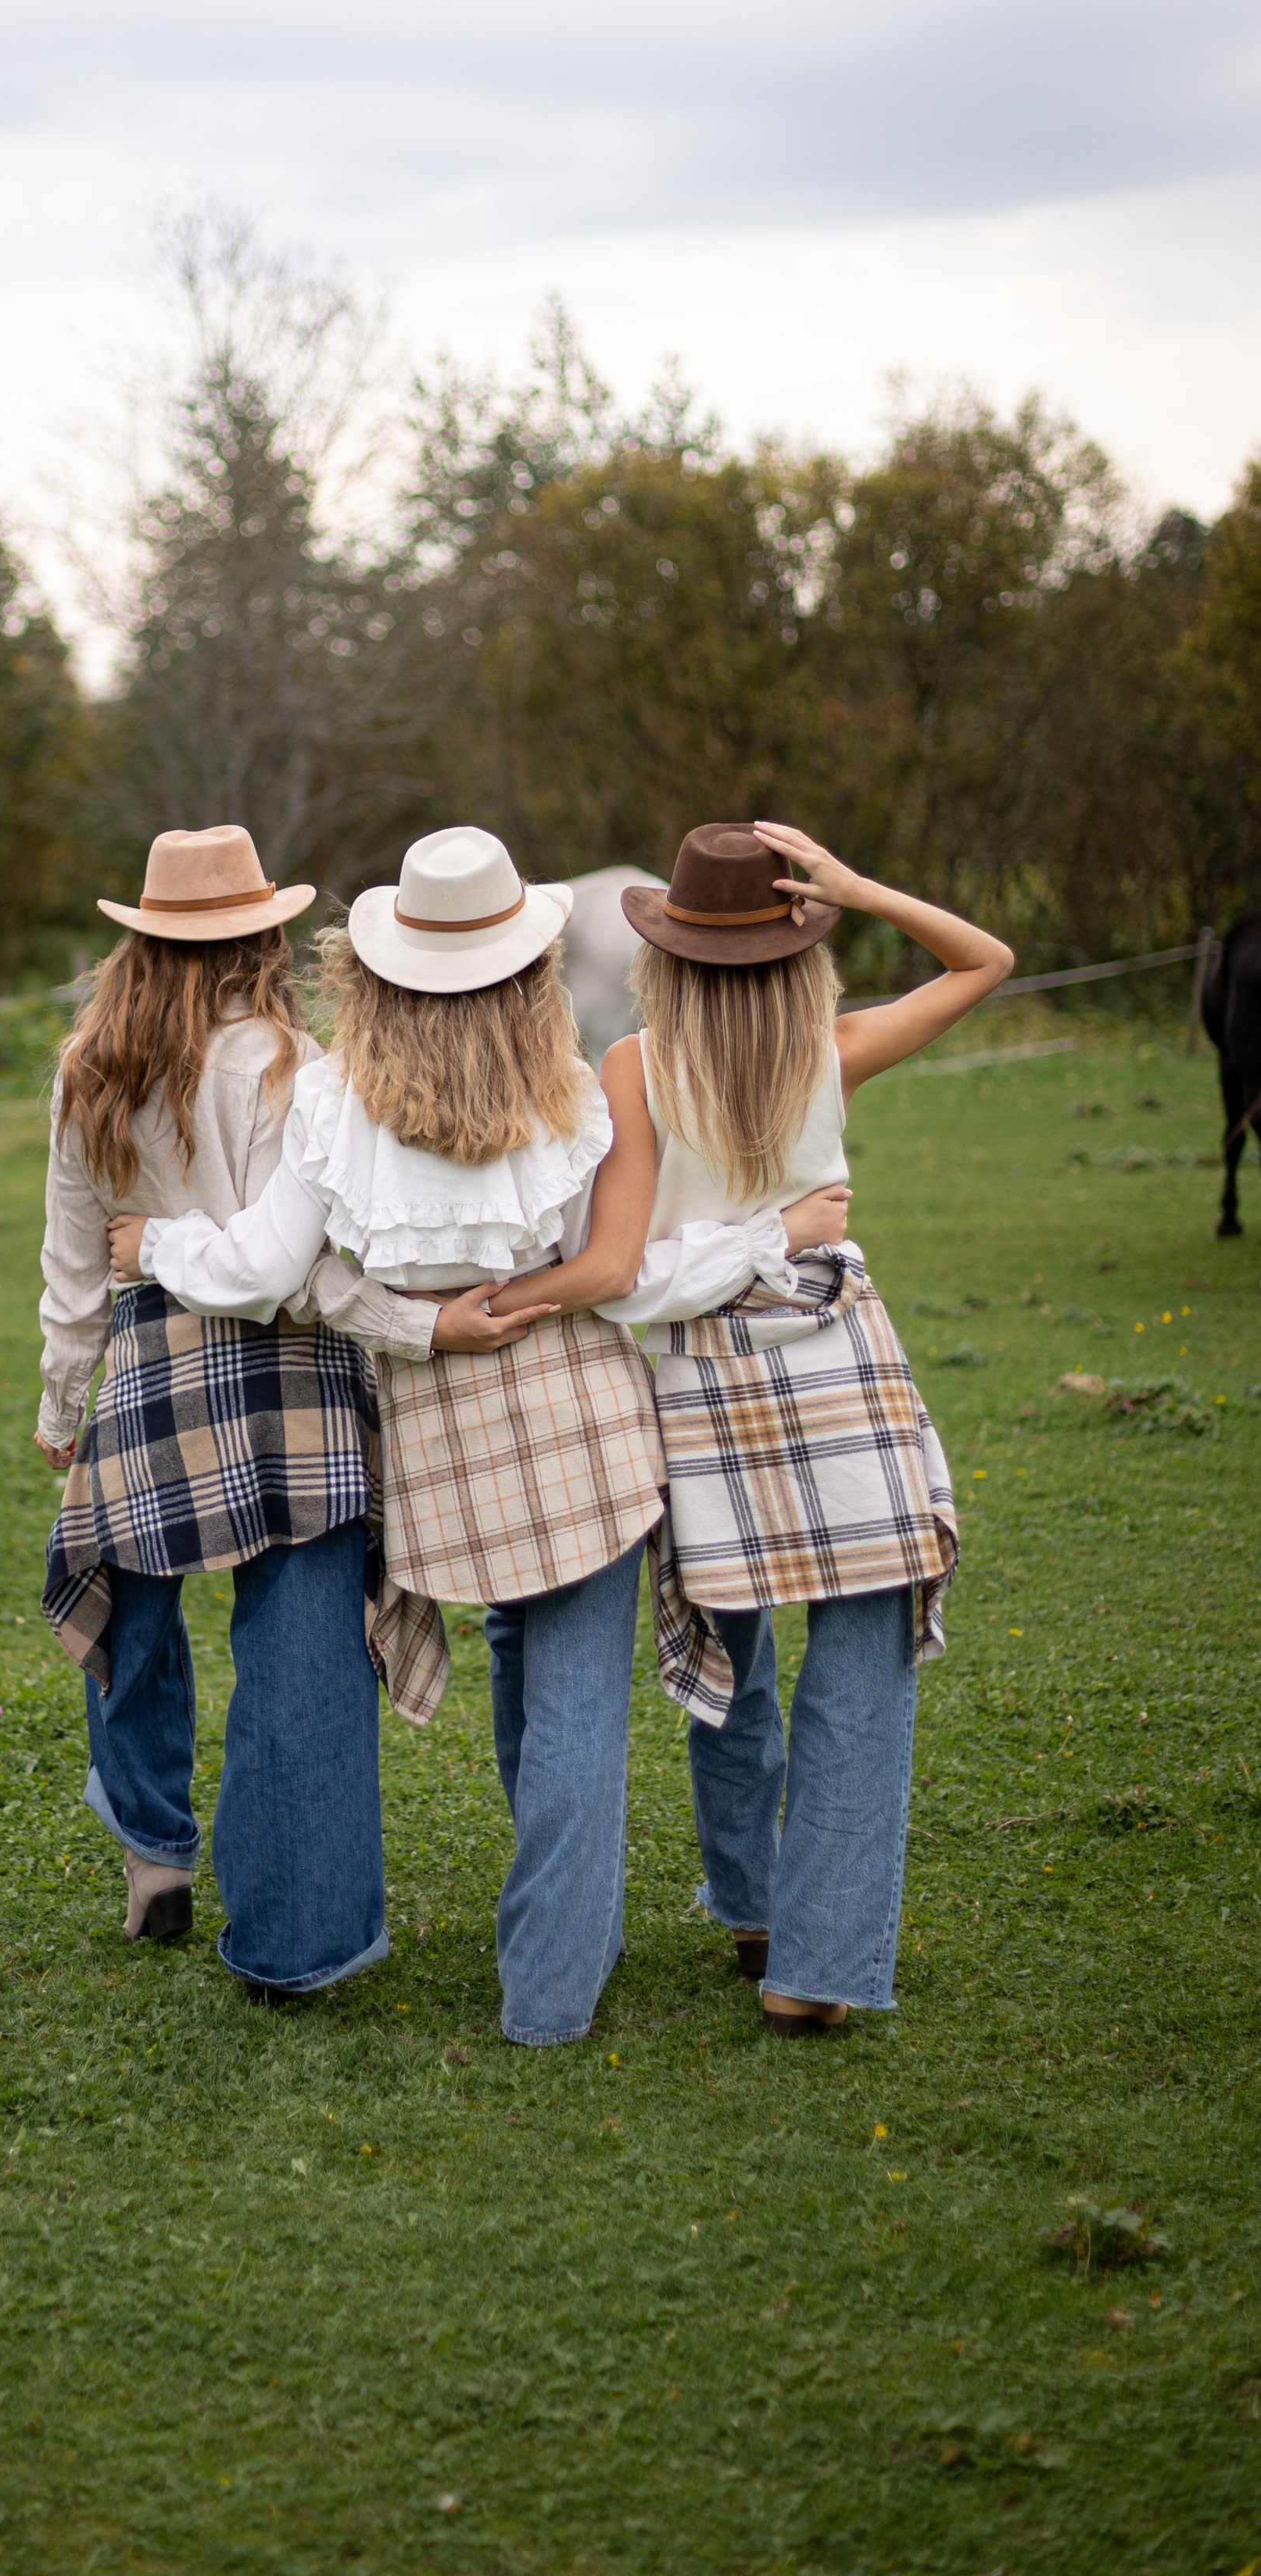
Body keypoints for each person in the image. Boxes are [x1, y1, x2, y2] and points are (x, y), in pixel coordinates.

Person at [111, 825, 847, 2047]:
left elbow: (282, 1279)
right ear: (527, 970)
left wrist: (169, 1253)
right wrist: (759, 1242)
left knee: (530, 1691)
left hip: (440, 1448)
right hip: (586, 1422)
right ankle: (551, 1992)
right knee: (570, 1712)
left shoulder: (334, 1101)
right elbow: (613, 1274)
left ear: (381, 973)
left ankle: (564, 1947)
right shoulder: (569, 1092)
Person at [502, 819, 1009, 2036]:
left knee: (730, 1664)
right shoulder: (827, 1054)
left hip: (697, 1389)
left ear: (665, 955)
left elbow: (621, 1279)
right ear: (802, 950)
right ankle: (807, 1963)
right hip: (843, 1372)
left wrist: (718, 1259)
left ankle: (755, 1907)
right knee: (862, 1667)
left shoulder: (631, 1067)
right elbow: (985, 961)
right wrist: (858, 887)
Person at [37, 823, 532, 1998]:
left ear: (142, 942)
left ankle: (154, 1850)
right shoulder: (304, 1069)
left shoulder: (88, 1070)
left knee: (133, 1612)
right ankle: (296, 1941)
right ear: (265, 935)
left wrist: (65, 1400)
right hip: (300, 1373)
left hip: (155, 1359)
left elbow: (71, 1263)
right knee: (300, 1649)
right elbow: (308, 1275)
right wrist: (419, 1328)